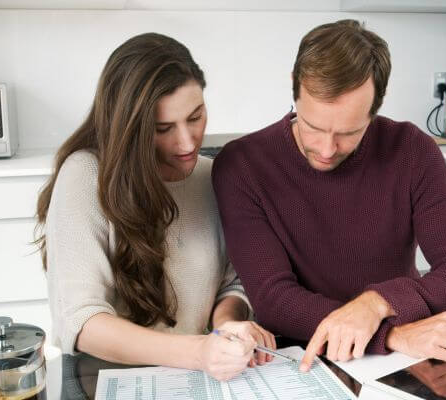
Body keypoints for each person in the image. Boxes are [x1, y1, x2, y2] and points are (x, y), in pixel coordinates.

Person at [211, 20, 446, 372]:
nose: (327, 149)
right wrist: (388, 334)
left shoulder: (412, 150)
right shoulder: (242, 165)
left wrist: (375, 304)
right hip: (301, 358)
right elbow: (273, 300)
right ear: (294, 88)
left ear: (375, 109)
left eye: (349, 133)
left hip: (402, 359)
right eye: (313, 127)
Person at [34, 33, 275, 381]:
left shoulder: (212, 176)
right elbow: (82, 321)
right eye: (163, 128)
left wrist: (228, 326)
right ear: (129, 129)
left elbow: (232, 284)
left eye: (195, 117)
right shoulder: (85, 174)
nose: (188, 142)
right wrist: (198, 352)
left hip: (191, 377)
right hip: (100, 380)